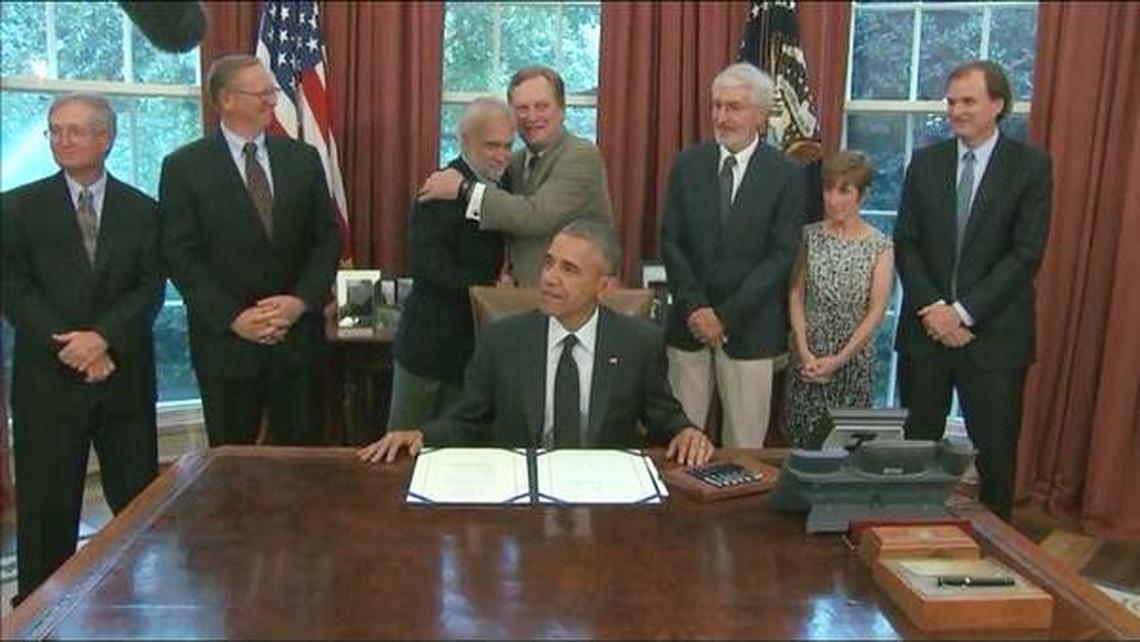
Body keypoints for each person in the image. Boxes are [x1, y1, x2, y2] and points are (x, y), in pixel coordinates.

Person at [359, 219, 713, 466]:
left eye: (569, 270)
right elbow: (468, 421)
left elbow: (665, 416)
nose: (550, 278)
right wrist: (420, 435)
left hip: (605, 499)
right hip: (522, 496)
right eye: (549, 263)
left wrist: (686, 432)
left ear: (604, 286)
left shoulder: (639, 342)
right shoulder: (503, 339)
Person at [1, 93, 163, 604]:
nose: (62, 140)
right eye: (54, 130)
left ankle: (133, 608)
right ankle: (38, 617)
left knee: (139, 513)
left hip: (123, 381)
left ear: (105, 138)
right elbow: (14, 289)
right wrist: (75, 348)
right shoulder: (15, 207)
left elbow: (149, 289)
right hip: (48, 385)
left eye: (74, 130)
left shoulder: (144, 210)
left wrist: (102, 340)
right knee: (47, 518)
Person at [894, 60, 1053, 520]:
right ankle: (907, 538)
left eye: (968, 101)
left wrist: (962, 313)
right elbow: (907, 241)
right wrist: (934, 309)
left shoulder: (1031, 167)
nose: (956, 110)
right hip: (925, 333)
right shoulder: (925, 162)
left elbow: (1025, 254)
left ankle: (998, 556)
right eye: (951, 101)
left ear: (998, 105)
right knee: (914, 452)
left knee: (997, 457)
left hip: (995, 336)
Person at [159, 54, 340, 446]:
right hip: (226, 345)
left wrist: (299, 302)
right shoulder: (184, 167)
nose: (272, 101)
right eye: (260, 93)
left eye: (272, 92)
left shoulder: (303, 159)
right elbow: (180, 256)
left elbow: (326, 240)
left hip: (296, 342)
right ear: (226, 100)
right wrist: (235, 318)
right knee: (231, 473)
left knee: (302, 467)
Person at [660, 62, 806, 448]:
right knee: (681, 443)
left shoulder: (788, 175)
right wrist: (697, 310)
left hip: (750, 330)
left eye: (734, 107)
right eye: (717, 106)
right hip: (689, 327)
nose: (722, 117)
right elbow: (671, 242)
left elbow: (781, 255)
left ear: (760, 114)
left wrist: (725, 316)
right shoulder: (687, 164)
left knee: (744, 451)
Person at [417, 65, 612, 286]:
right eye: (522, 108)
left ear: (562, 109)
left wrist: (464, 188)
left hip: (571, 298)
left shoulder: (581, 155)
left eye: (542, 106)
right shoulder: (514, 162)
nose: (532, 116)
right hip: (518, 300)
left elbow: (534, 216)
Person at [388, 97, 513, 429]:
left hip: (475, 356)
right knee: (405, 449)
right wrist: (492, 294)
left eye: (507, 145)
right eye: (492, 145)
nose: (502, 154)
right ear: (465, 142)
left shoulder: (506, 187)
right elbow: (430, 267)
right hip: (430, 351)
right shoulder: (439, 189)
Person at [779, 151, 894, 447]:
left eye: (844, 190)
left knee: (846, 451)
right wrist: (804, 353)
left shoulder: (880, 246)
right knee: (800, 447)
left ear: (862, 195)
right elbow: (795, 295)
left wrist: (838, 360)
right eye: (828, 189)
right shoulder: (808, 236)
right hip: (807, 363)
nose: (833, 199)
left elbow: (876, 311)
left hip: (851, 365)